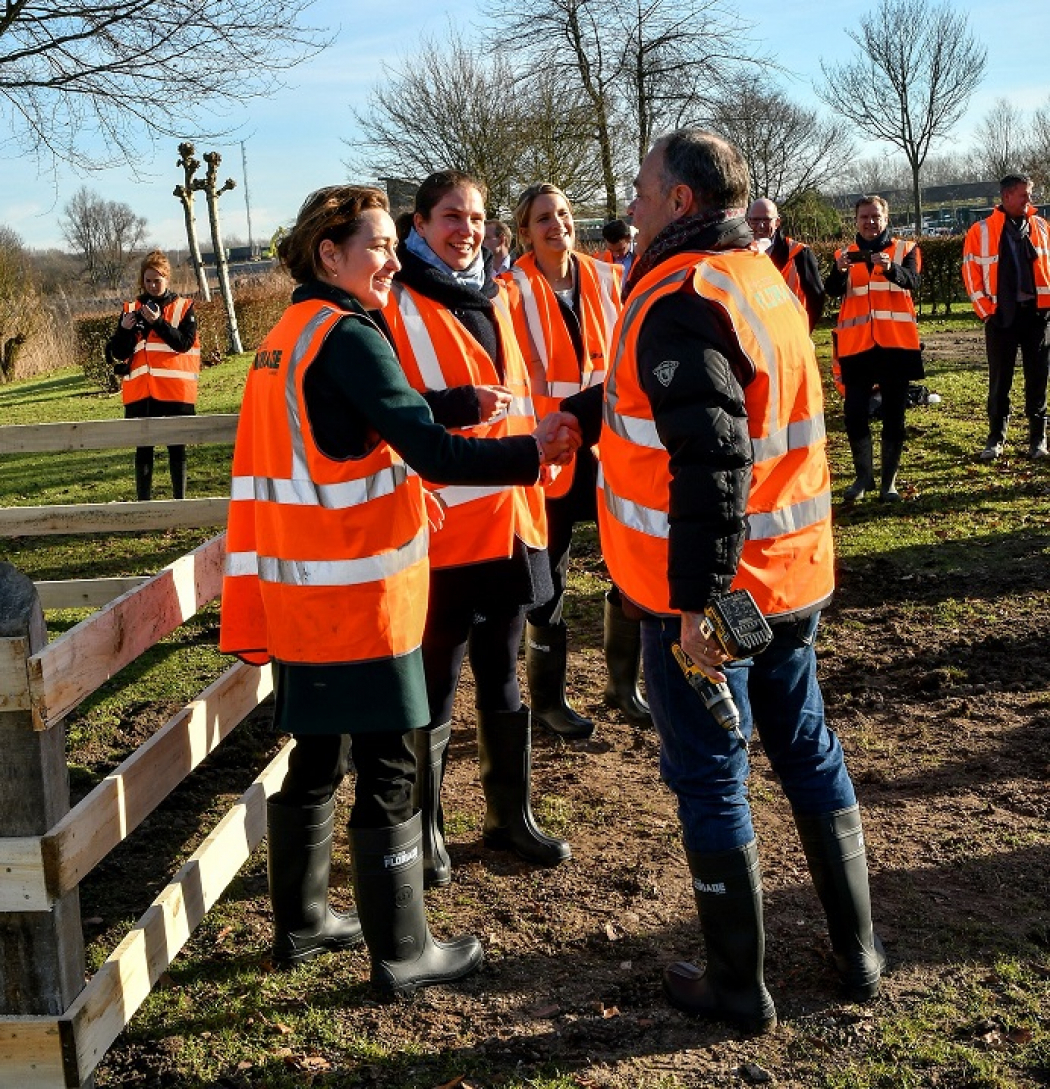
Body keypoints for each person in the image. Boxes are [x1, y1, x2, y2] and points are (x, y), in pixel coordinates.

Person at [219, 185, 580, 999]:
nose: (390, 260)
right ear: (329, 254)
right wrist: (531, 453)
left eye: (389, 245)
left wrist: (454, 402)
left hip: (302, 593)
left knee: (316, 755)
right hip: (359, 595)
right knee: (385, 763)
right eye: (378, 245)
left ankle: (304, 924)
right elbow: (428, 451)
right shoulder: (350, 333)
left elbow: (360, 423)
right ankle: (404, 949)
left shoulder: (289, 334)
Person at [563, 129, 883, 1034]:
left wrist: (700, 605)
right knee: (806, 748)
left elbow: (709, 457)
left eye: (639, 185)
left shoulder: (681, 292)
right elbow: (703, 399)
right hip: (793, 578)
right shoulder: (755, 278)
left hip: (713, 596)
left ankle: (738, 985)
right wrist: (581, 417)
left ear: (678, 200)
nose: (627, 201)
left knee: (710, 775)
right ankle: (858, 952)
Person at [382, 171, 573, 890]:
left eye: (476, 216)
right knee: (435, 682)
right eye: (450, 217)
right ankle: (425, 828)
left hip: (513, 514)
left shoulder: (498, 292)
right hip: (443, 527)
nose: (466, 229)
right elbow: (390, 410)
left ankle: (508, 817)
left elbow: (518, 397)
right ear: (421, 224)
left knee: (503, 670)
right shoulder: (395, 301)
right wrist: (451, 405)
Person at [504, 182, 650, 736]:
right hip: (549, 455)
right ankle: (548, 701)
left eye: (563, 214)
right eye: (543, 218)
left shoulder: (612, 278)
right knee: (550, 578)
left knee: (630, 562)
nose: (556, 224)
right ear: (525, 230)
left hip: (612, 447)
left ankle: (622, 686)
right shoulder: (509, 291)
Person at [826, 196, 922, 503]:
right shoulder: (844, 254)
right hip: (858, 346)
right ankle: (862, 477)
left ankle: (888, 483)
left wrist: (892, 269)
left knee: (895, 414)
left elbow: (914, 282)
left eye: (876, 217)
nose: (870, 222)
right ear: (855, 221)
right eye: (864, 217)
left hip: (896, 344)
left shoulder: (906, 249)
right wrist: (839, 272)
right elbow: (830, 289)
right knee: (855, 414)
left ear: (886, 218)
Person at [962, 173, 1050, 460]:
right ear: (1007, 196)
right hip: (1001, 318)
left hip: (1037, 316)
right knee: (1000, 380)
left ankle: (1038, 440)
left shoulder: (1041, 226)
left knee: (1038, 379)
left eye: (1030, 195)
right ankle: (995, 439)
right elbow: (971, 275)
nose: (1029, 200)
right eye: (1024, 195)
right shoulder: (981, 230)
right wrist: (987, 313)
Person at [107, 250, 201, 500]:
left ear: (167, 279)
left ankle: (179, 504)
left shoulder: (184, 307)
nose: (152, 286)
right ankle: (143, 506)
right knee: (144, 449)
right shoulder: (130, 309)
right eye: (147, 281)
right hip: (141, 393)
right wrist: (124, 331)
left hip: (175, 393)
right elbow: (119, 352)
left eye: (157, 280)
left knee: (176, 449)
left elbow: (184, 344)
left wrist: (159, 323)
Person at [746, 197, 826, 332]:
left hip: (792, 335)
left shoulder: (799, 253)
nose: (760, 225)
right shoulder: (740, 254)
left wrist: (804, 332)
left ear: (777, 222)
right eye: (755, 220)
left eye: (766, 220)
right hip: (755, 336)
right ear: (747, 222)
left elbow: (816, 297)